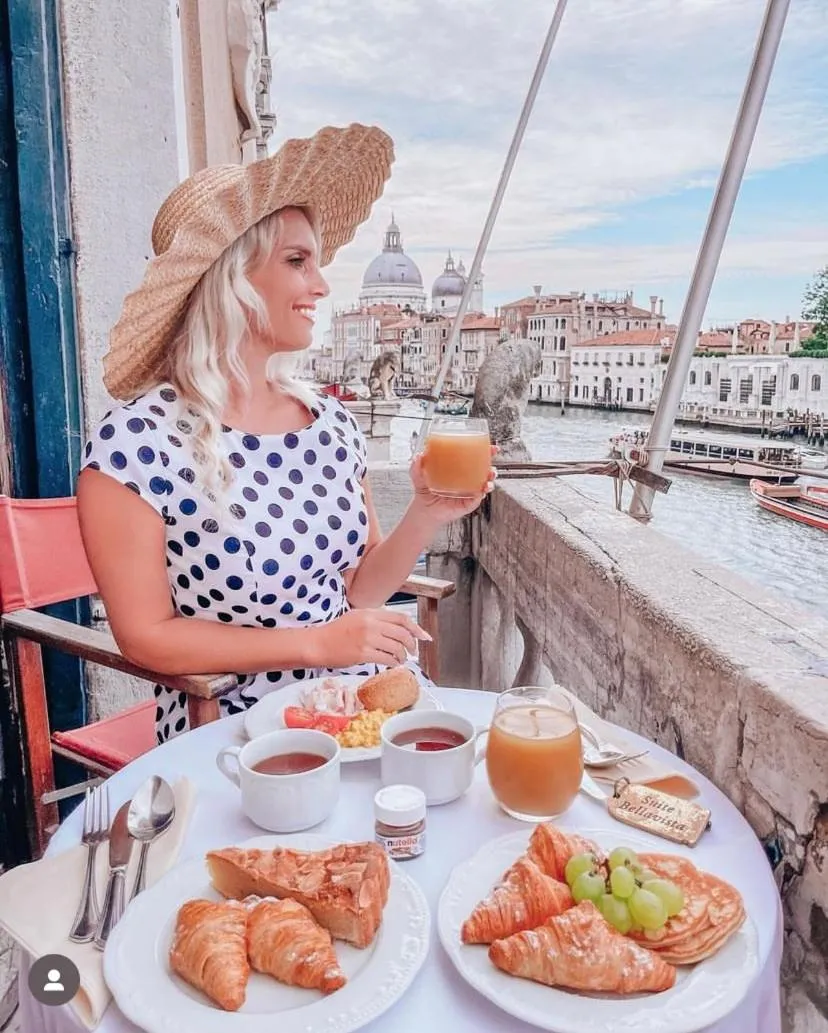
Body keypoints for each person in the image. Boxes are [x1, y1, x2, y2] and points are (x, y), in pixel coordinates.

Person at [77, 124, 495, 743]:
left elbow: (358, 586)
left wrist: (426, 514)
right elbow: (145, 635)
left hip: (361, 702)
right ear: (231, 280)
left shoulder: (331, 423)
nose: (321, 286)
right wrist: (319, 643)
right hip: (233, 727)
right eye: (297, 262)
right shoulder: (135, 446)